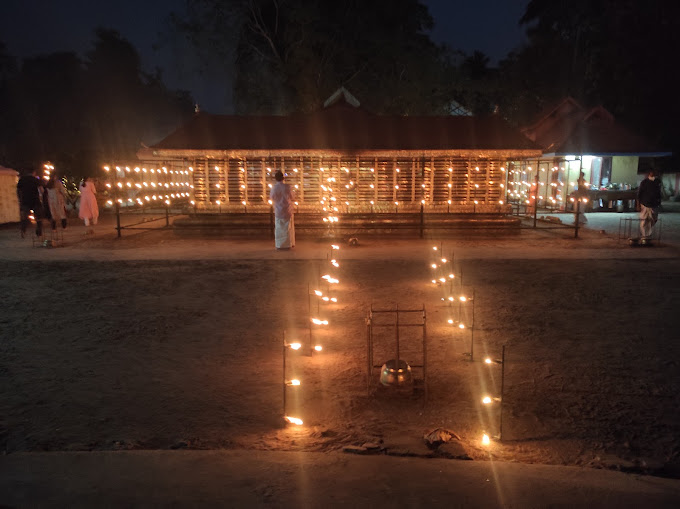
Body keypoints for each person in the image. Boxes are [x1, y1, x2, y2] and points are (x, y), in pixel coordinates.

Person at [269, 170, 295, 249]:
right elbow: (292, 197)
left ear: (276, 179)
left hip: (278, 210)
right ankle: (288, 244)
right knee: (288, 228)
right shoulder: (288, 187)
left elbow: (272, 197)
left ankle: (279, 245)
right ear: (283, 178)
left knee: (279, 229)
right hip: (287, 210)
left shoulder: (274, 188)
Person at [16, 168, 44, 237]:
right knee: (39, 216)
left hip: (25, 200)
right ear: (34, 172)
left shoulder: (22, 179)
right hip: (35, 199)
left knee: (24, 217)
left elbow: (18, 190)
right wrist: (42, 197)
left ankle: (23, 230)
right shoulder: (35, 180)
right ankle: (39, 231)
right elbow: (41, 190)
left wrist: (19, 198)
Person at [637, 169, 662, 242]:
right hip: (645, 203)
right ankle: (645, 235)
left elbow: (659, 193)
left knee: (653, 219)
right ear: (649, 173)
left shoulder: (657, 181)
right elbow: (639, 194)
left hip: (654, 204)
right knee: (644, 220)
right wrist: (638, 204)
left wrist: (659, 202)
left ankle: (647, 234)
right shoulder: (644, 182)